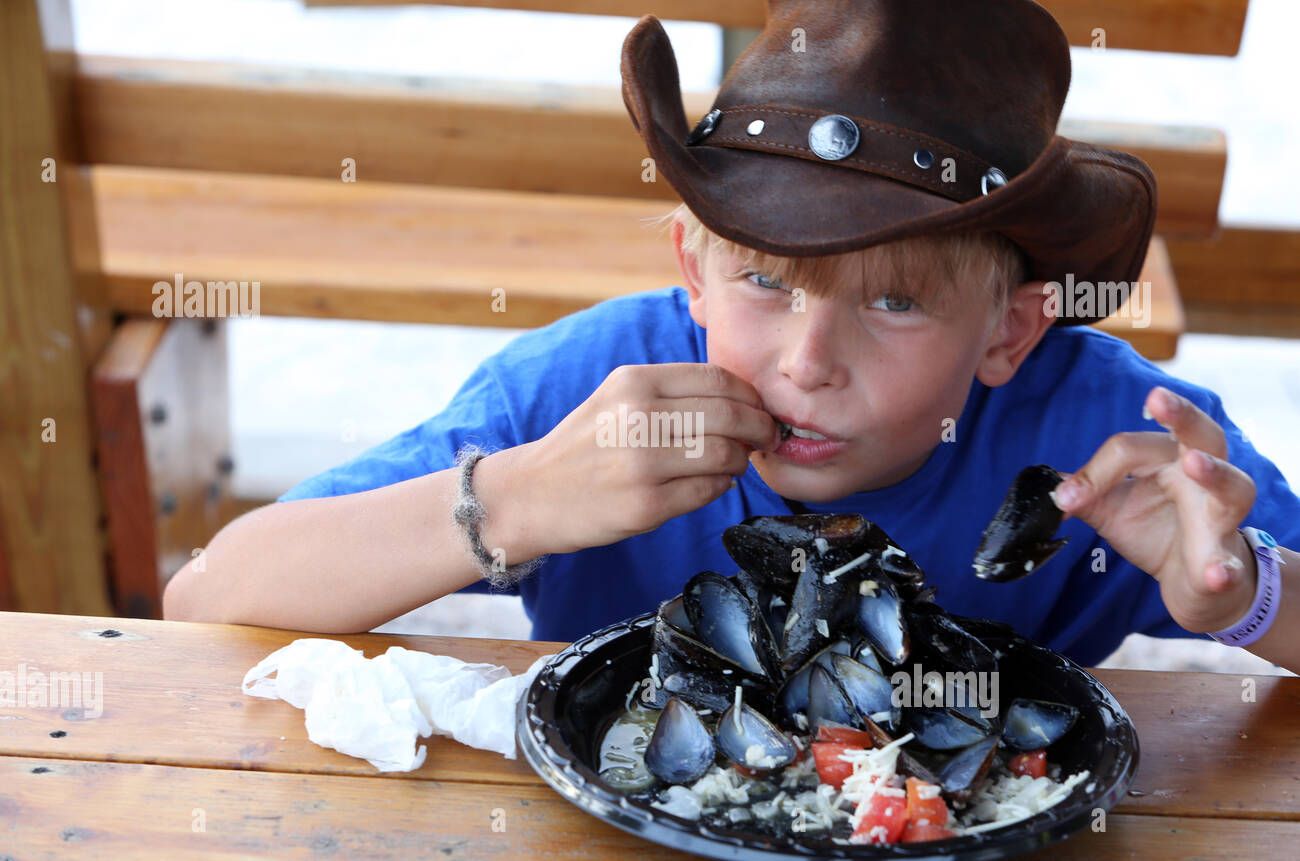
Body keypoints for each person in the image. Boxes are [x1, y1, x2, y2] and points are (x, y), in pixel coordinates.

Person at [163, 0, 1300, 674]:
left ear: (1007, 331)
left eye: (895, 301)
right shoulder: (586, 393)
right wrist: (514, 498)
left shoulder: (1100, 435)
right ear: (690, 271)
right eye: (763, 278)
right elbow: (208, 596)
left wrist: (1238, 593)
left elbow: (1251, 586)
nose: (808, 360)